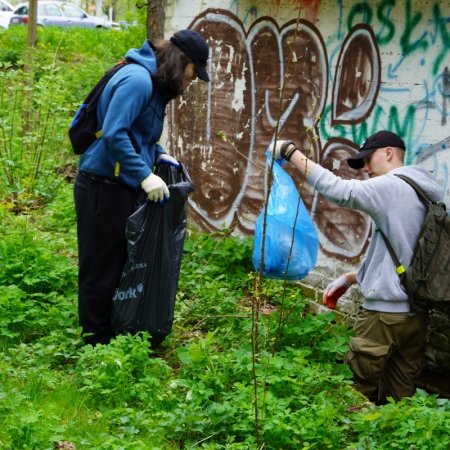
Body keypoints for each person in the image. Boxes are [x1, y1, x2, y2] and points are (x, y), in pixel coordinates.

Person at [273, 130, 443, 404]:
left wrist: (290, 152)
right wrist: (352, 278)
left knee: (353, 392)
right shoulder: (427, 191)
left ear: (388, 153)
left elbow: (340, 191)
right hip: (416, 315)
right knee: (399, 399)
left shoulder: (392, 186)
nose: (364, 169)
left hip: (383, 318)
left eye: (367, 160)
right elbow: (403, 252)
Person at [74, 29, 210, 346]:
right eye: (193, 73)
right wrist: (144, 175)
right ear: (182, 61)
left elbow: (138, 134)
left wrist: (159, 154)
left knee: (118, 262)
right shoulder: (138, 80)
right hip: (101, 185)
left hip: (119, 184)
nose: (191, 81)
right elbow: (114, 133)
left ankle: (112, 335)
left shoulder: (153, 84)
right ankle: (95, 342)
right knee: (99, 266)